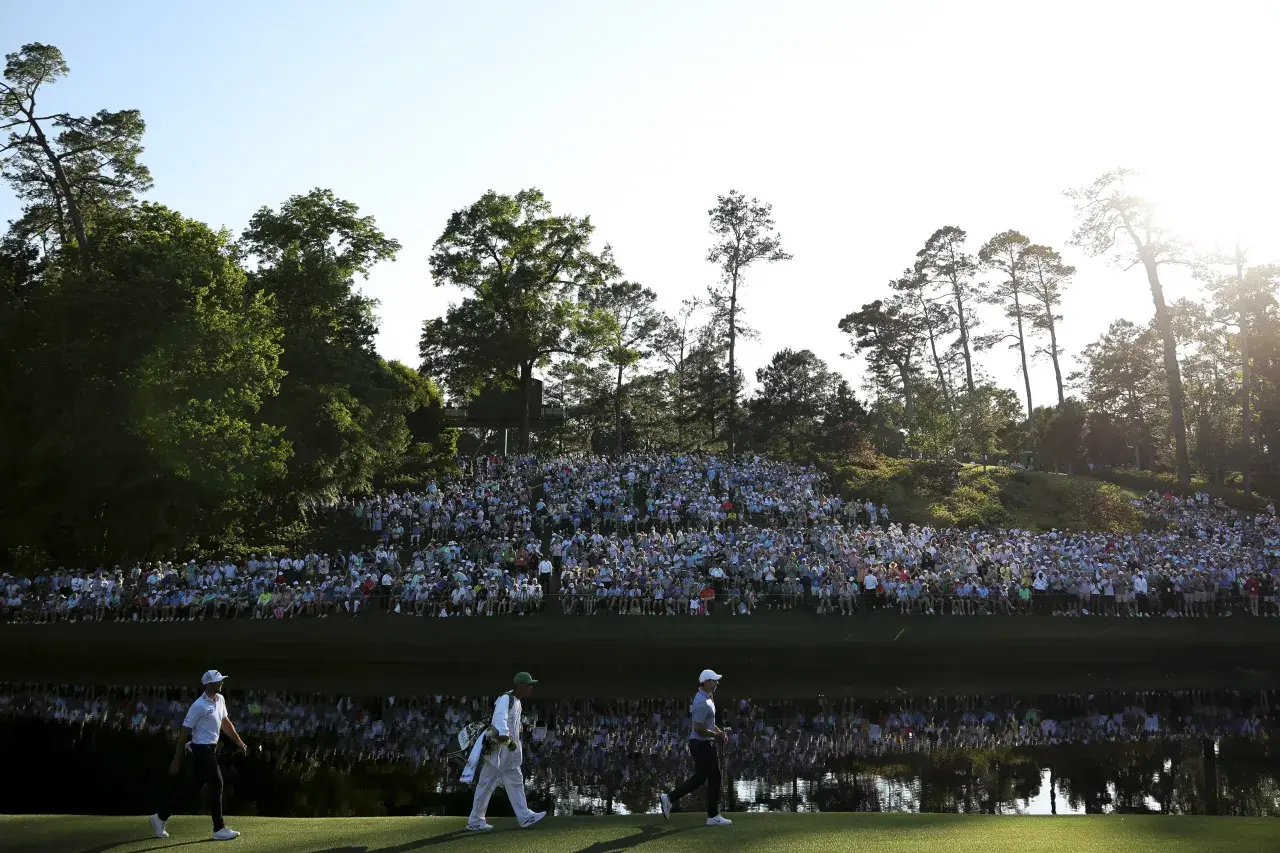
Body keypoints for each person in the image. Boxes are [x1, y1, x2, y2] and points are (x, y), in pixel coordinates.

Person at [149, 670, 247, 841]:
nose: (221, 683)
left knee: (191, 791)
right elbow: (183, 735)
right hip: (201, 749)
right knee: (217, 783)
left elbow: (225, 723)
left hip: (210, 748)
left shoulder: (220, 699)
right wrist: (176, 759)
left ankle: (160, 817)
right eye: (218, 681)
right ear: (208, 684)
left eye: (221, 680)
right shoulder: (198, 706)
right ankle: (219, 828)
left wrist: (239, 742)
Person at [465, 672, 547, 832]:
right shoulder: (505, 699)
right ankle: (475, 820)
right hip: (500, 750)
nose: (530, 688)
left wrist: (514, 747)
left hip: (510, 752)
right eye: (528, 685)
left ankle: (525, 816)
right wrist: (507, 741)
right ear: (520, 685)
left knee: (515, 781)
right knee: (486, 783)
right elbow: (499, 720)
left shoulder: (517, 702)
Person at [660, 669, 733, 826]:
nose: (716, 683)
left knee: (700, 778)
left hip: (702, 743)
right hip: (701, 744)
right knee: (715, 777)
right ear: (706, 682)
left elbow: (710, 725)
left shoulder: (707, 698)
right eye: (714, 680)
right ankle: (713, 816)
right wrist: (717, 736)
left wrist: (720, 733)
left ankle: (670, 798)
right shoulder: (701, 702)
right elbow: (699, 728)